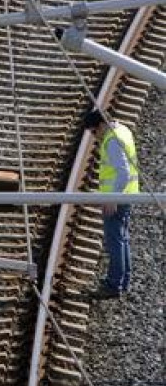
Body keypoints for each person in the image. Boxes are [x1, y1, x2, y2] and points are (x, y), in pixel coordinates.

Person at [84, 110, 139, 298]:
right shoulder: (122, 130)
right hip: (125, 196)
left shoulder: (112, 140)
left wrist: (113, 197)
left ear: (100, 126)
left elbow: (123, 173)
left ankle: (114, 285)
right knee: (121, 240)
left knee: (115, 241)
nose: (94, 136)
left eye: (93, 132)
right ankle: (122, 281)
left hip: (117, 199)